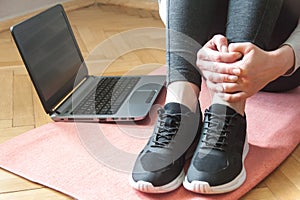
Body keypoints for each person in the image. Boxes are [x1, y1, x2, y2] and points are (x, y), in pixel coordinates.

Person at [129, 0, 300, 194]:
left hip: (277, 55)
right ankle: (181, 107)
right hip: (206, 56)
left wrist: (282, 60)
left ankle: (228, 107)